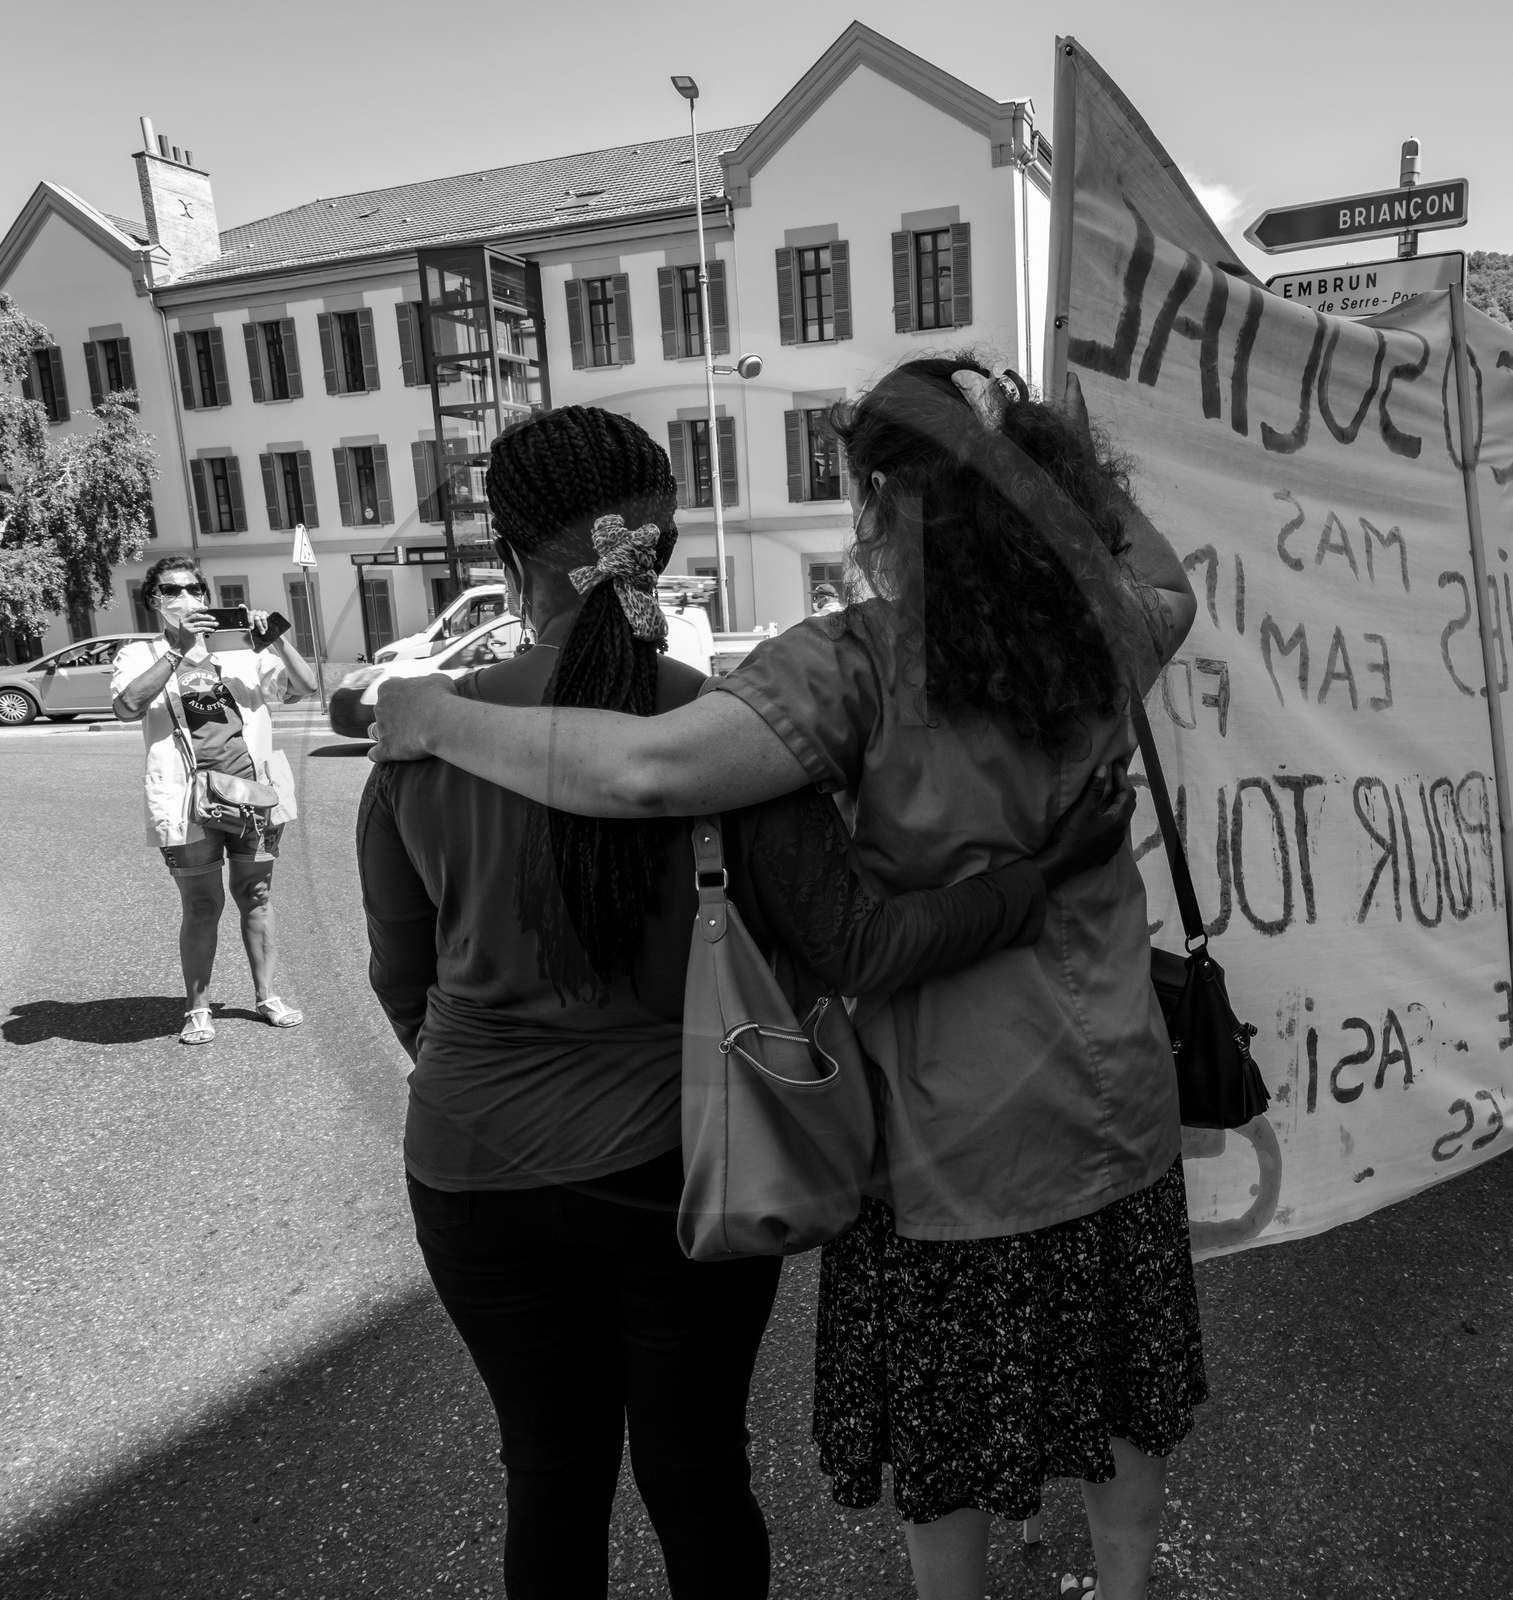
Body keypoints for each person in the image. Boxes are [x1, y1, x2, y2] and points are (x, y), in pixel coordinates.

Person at [369, 363, 1204, 1600]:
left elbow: (601, 813)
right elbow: (1167, 578)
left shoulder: (843, 667)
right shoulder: (1112, 629)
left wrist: (431, 716)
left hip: (873, 1134)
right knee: (1077, 1386)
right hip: (1030, 1107)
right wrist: (1031, 448)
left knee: (586, 1465)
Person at [111, 557, 319, 1044]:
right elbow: (126, 707)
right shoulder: (139, 654)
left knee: (257, 896)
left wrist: (278, 641)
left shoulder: (240, 652)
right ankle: (198, 1008)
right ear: (153, 601)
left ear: (205, 597)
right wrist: (178, 653)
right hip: (187, 799)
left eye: (192, 589)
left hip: (253, 795)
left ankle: (267, 995)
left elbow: (305, 688)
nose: (184, 598)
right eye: (170, 591)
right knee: (202, 904)